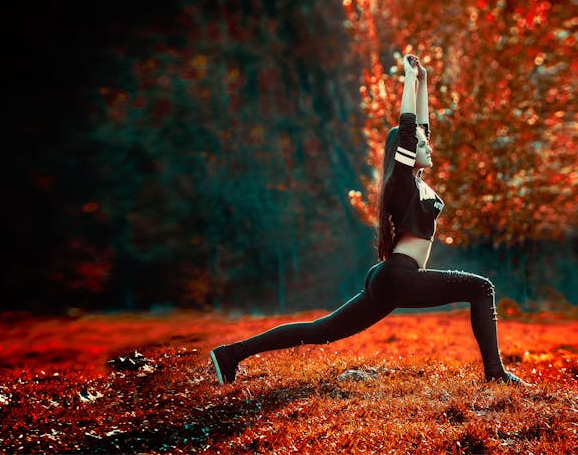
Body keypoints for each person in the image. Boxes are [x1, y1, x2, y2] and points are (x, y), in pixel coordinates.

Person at [210, 53, 528, 386]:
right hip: (399, 275)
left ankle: (230, 355)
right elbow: (408, 130)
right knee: (481, 288)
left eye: (425, 142)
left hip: (392, 278)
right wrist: (407, 79)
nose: (428, 146)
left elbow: (420, 128)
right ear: (404, 151)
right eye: (421, 144)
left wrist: (423, 82)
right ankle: (495, 374)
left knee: (323, 331)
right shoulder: (401, 181)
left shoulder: (415, 180)